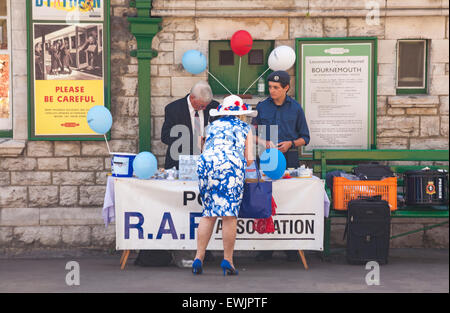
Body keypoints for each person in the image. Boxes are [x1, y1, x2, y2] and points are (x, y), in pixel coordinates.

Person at [192, 95, 256, 276]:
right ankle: (228, 260)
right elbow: (249, 158)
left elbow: (202, 149)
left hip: (207, 167)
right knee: (229, 215)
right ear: (241, 113)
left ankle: (198, 257)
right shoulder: (245, 128)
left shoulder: (210, 126)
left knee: (208, 214)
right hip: (231, 169)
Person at [253, 70, 310, 262]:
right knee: (266, 202)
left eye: (276, 87)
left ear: (287, 87)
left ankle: (291, 248)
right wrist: (262, 142)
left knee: (288, 202)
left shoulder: (296, 108)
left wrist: (291, 144)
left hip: (288, 160)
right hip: (266, 160)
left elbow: (306, 138)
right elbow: (250, 134)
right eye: (270, 87)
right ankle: (265, 248)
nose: (272, 91)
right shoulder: (261, 107)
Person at [161, 80, 219, 170]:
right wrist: (194, 140)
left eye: (206, 106)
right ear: (192, 97)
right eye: (201, 106)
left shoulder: (214, 106)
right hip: (180, 163)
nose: (204, 108)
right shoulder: (173, 109)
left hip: (208, 162)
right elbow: (165, 136)